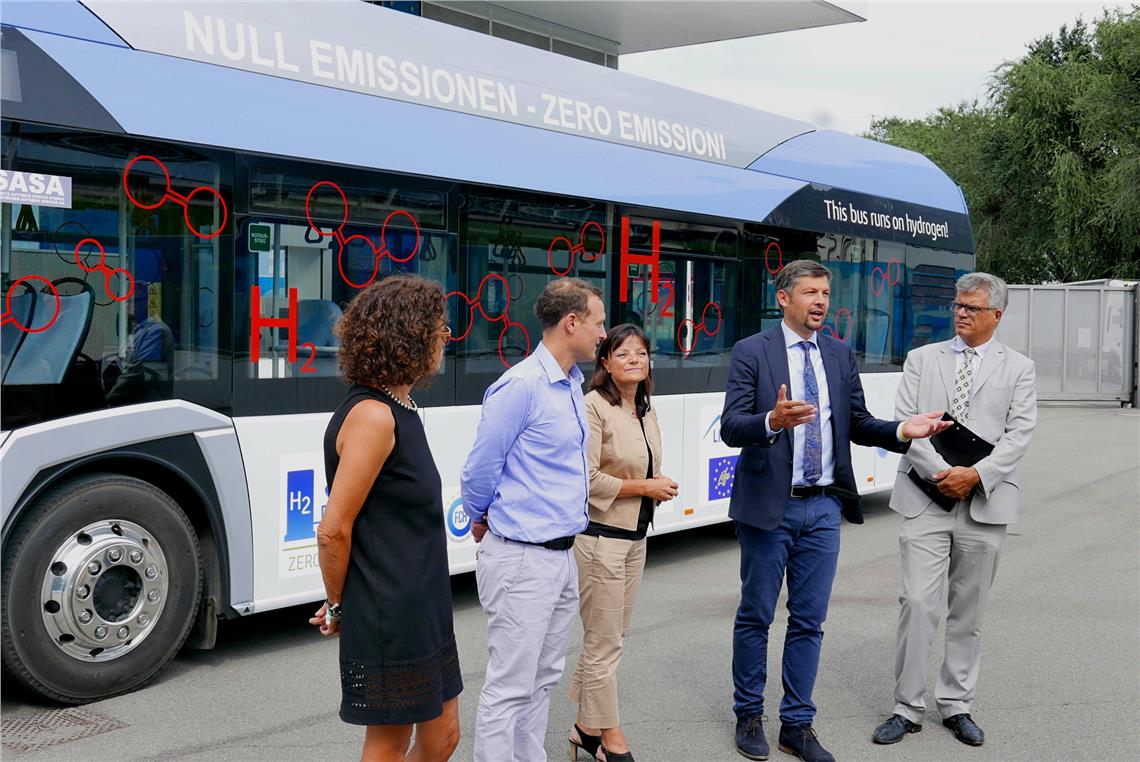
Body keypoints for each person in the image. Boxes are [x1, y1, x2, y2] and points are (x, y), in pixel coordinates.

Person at [721, 259, 951, 762]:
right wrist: (771, 420)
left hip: (823, 508)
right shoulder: (751, 353)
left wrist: (899, 431)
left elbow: (858, 422)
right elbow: (731, 427)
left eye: (825, 292)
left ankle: (797, 725)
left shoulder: (840, 354)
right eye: (810, 292)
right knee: (756, 614)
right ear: (784, 298)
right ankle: (748, 715)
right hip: (769, 507)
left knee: (809, 621)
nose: (821, 301)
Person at [872, 272, 1036, 748]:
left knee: (969, 610)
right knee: (919, 603)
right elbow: (905, 424)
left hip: (985, 501)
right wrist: (943, 474)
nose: (962, 313)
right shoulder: (923, 359)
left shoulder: (1019, 368)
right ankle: (906, 708)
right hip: (926, 497)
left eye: (973, 308)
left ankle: (957, 704)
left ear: (997, 316)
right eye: (958, 305)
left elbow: (1019, 434)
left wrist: (976, 476)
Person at [310, 275, 462, 762]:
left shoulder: (400, 407)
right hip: (389, 612)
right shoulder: (373, 416)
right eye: (437, 327)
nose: (445, 336)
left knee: (443, 738)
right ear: (409, 335)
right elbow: (334, 529)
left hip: (423, 605)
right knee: (389, 745)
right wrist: (338, 604)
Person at [461, 278, 608, 762]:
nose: (603, 334)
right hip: (523, 559)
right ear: (571, 323)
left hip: (561, 556)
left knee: (542, 680)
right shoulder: (521, 386)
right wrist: (483, 516)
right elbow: (480, 468)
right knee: (510, 686)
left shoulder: (568, 384)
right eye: (598, 322)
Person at [567, 324, 679, 762]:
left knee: (612, 637)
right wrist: (645, 488)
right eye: (623, 352)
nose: (635, 358)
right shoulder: (593, 406)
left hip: (635, 539)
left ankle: (584, 728)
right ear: (605, 363)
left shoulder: (645, 408)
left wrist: (652, 487)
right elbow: (586, 478)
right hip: (600, 541)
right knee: (604, 642)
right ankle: (611, 739)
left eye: (641, 352)